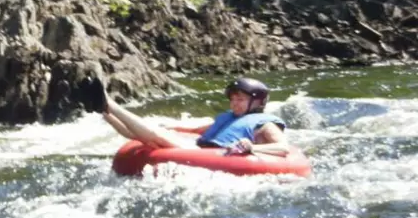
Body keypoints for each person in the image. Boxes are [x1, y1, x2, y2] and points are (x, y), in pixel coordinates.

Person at [84, 76, 290, 155]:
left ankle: (109, 104)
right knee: (140, 135)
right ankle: (103, 111)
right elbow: (198, 131)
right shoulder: (229, 117)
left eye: (241, 100)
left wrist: (252, 147)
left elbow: (283, 148)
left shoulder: (266, 124)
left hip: (215, 155)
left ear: (257, 103)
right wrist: (174, 128)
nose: (235, 103)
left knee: (157, 137)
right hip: (201, 147)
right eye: (233, 99)